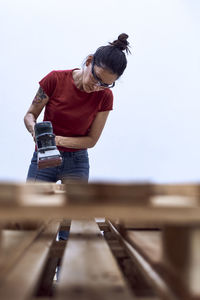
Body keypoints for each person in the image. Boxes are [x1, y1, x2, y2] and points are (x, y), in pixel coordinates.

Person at [24, 33, 130, 241]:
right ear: (89, 62)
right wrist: (35, 131)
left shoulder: (105, 97)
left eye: (106, 84)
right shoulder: (54, 79)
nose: (97, 87)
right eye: (97, 78)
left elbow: (91, 140)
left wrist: (57, 140)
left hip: (77, 162)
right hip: (44, 158)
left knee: (71, 228)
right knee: (31, 221)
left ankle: (68, 273)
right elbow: (30, 115)